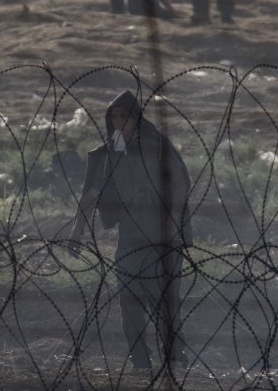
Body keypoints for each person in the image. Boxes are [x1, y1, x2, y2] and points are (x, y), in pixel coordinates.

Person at [69, 88, 190, 372]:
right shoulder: (108, 155)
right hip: (131, 237)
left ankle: (175, 361)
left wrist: (171, 228)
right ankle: (141, 363)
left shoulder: (157, 147)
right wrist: (77, 232)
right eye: (115, 118)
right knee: (130, 301)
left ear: (137, 118)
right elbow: (91, 194)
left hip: (163, 236)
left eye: (125, 117)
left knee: (165, 302)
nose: (120, 123)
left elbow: (180, 186)